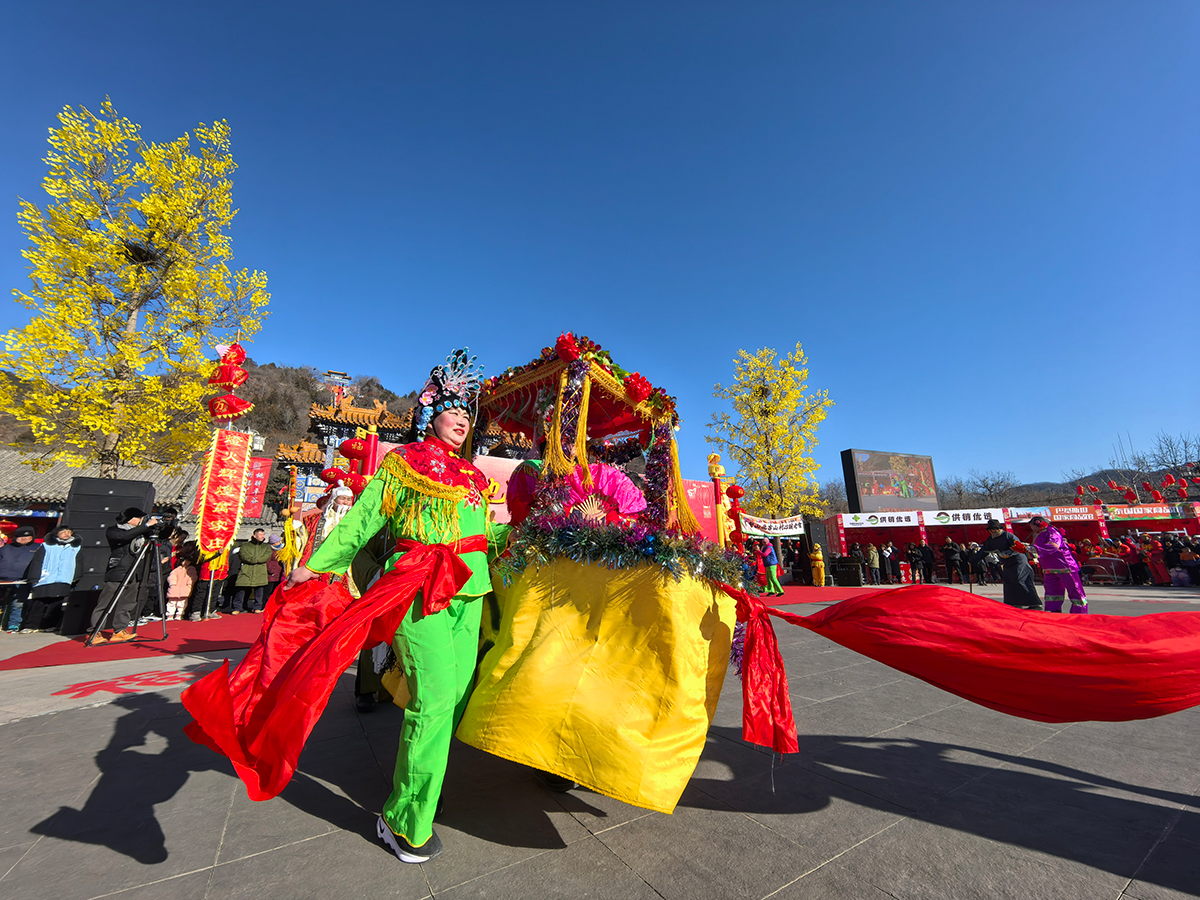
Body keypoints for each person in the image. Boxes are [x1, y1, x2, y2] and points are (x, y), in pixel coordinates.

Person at [258, 348, 500, 864]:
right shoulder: (404, 464)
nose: (463, 418)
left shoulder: (476, 479)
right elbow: (363, 519)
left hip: (470, 591)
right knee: (433, 702)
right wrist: (318, 565)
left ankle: (422, 785)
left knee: (453, 699)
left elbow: (486, 535)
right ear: (431, 411)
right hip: (420, 588)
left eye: (469, 412)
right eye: (454, 408)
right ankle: (403, 821)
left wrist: (530, 528)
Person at [88, 508, 161, 644]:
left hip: (135, 572)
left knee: (127, 603)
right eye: (139, 518)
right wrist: (146, 526)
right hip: (119, 571)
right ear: (130, 518)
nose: (140, 521)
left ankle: (120, 630)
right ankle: (95, 631)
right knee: (106, 602)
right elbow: (124, 537)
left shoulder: (142, 533)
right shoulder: (115, 530)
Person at [23, 525, 81, 632]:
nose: (66, 534)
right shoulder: (46, 546)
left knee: (57, 604)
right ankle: (31, 626)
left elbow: (78, 562)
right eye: (63, 532)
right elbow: (37, 562)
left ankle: (50, 625)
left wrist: (76, 576)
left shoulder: (75, 547)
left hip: (64, 578)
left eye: (69, 532)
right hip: (46, 578)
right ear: (56, 533)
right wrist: (34, 577)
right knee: (39, 603)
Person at [1029, 516, 1087, 613]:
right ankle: (1052, 611)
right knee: (1052, 591)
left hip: (1064, 565)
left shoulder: (1052, 532)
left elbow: (1053, 546)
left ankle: (1079, 612)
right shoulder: (1040, 534)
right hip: (1048, 567)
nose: (1032, 529)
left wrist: (1033, 549)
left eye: (1032, 527)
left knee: (1074, 590)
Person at [980, 520, 1041, 609]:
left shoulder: (1008, 536)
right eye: (992, 530)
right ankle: (1013, 603)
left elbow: (1019, 547)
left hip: (1018, 561)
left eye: (996, 529)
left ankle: (1034, 604)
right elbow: (984, 551)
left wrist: (1008, 553)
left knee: (1021, 581)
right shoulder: (991, 539)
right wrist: (972, 560)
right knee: (1009, 583)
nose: (994, 531)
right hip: (1007, 564)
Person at [0, 526, 40, 633]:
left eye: (27, 536)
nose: (24, 538)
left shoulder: (38, 547)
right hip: (3, 580)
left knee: (18, 604)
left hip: (23, 581)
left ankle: (13, 625)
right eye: (20, 536)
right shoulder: (5, 548)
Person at [230, 529, 272, 613]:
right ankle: (237, 608)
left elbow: (266, 557)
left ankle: (257, 607)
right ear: (255, 535)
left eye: (263, 535)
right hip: (246, 571)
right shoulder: (245, 545)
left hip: (260, 572)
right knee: (241, 590)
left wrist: (255, 559)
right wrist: (256, 559)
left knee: (259, 591)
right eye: (260, 535)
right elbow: (244, 556)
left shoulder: (266, 547)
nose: (263, 536)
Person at [166, 553, 198, 621]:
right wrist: (173, 584)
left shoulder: (191, 569)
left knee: (182, 603)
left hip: (185, 589)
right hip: (175, 588)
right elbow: (171, 576)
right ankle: (170, 614)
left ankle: (179, 614)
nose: (185, 563)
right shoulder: (177, 569)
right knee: (172, 602)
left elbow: (193, 577)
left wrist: (189, 585)